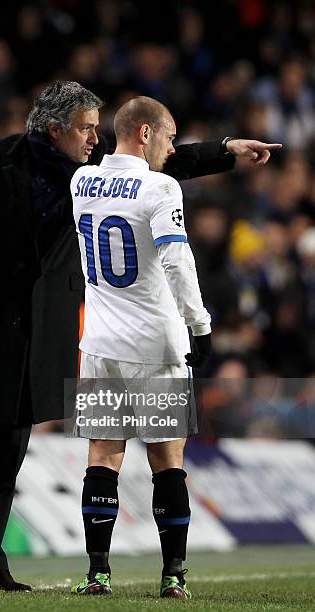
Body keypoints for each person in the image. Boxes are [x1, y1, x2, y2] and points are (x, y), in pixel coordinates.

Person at [0, 81, 281, 591]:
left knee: (6, 456)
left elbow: (158, 161)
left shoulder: (90, 173)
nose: (96, 138)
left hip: (36, 331)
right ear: (55, 128)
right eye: (88, 128)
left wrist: (225, 150)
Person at [69, 97, 280, 598]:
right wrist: (200, 327)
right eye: (167, 136)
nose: (171, 148)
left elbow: (138, 174)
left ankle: (98, 573)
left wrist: (224, 150)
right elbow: (177, 262)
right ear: (145, 133)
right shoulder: (161, 186)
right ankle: (173, 576)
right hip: (156, 344)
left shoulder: (82, 181)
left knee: (102, 455)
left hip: (99, 342)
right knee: (167, 460)